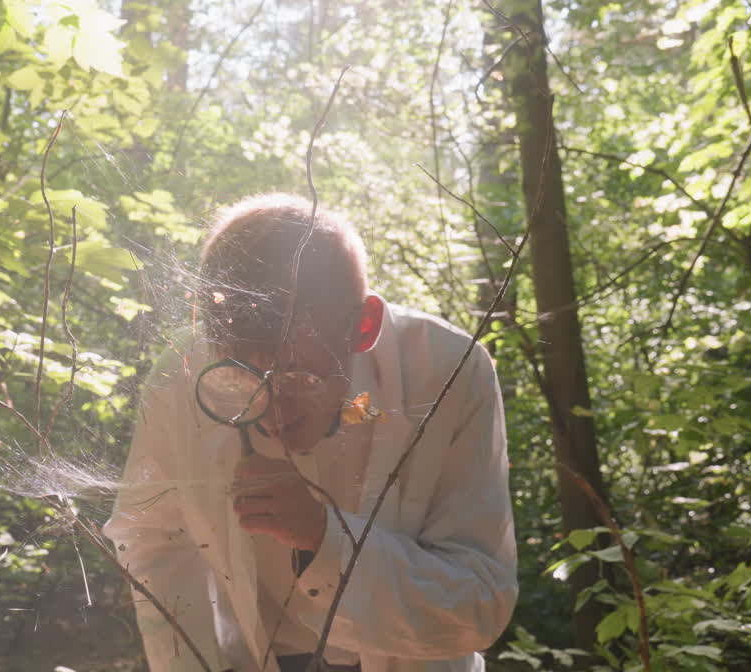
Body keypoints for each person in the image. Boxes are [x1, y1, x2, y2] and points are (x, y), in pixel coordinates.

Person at [104, 193, 517, 672]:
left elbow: (480, 606)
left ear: (363, 327)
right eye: (242, 378)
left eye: (298, 379)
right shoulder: (181, 375)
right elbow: (153, 543)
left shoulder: (449, 371)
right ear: (210, 335)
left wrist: (324, 538)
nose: (270, 416)